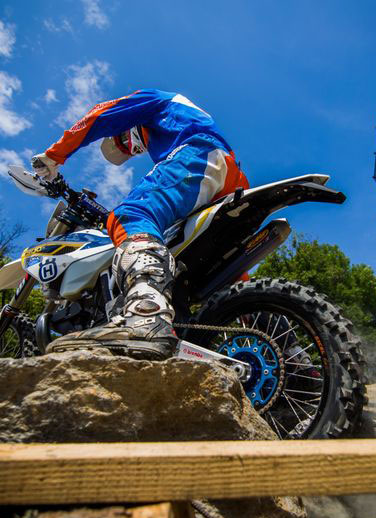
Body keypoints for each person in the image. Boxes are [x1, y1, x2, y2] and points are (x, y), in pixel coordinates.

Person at [31, 89, 249, 360]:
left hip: (198, 154)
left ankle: (146, 314)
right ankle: (289, 348)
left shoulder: (158, 100)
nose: (135, 149)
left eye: (127, 142)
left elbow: (102, 115)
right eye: (133, 150)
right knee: (225, 274)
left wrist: (54, 155)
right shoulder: (182, 121)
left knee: (130, 215)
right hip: (229, 177)